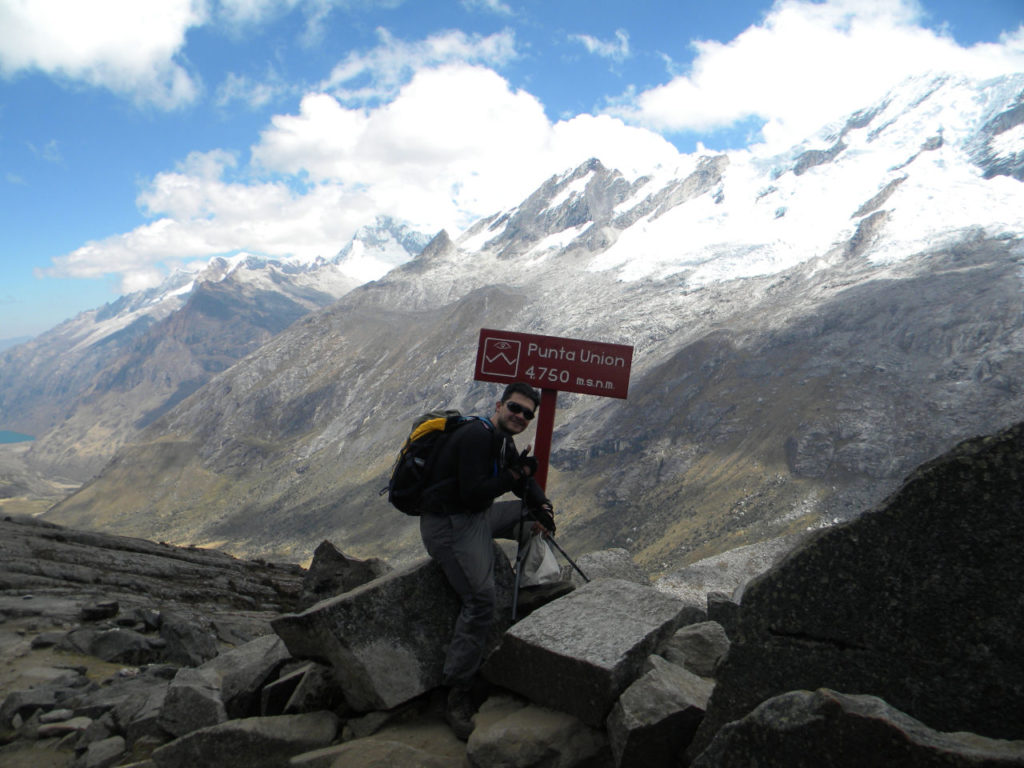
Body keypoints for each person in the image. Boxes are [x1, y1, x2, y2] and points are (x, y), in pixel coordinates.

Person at [418, 381, 556, 740]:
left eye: (528, 413)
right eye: (515, 408)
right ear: (499, 404)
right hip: (451, 525)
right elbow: (475, 490)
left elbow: (517, 479)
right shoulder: (478, 437)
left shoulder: (500, 439)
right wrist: (520, 473)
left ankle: (529, 591)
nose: (520, 416)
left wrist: (541, 505)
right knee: (481, 600)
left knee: (531, 520)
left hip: (475, 516)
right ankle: (457, 691)